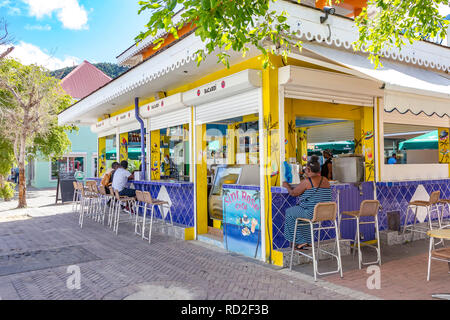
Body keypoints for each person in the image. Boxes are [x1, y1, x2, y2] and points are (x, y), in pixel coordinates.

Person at [282, 156, 332, 250]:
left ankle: (301, 241)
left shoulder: (308, 181)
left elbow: (293, 193)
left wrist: (286, 185)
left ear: (308, 169)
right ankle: (307, 241)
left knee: (289, 212)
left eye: (305, 169)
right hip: (325, 213)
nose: (304, 171)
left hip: (311, 213)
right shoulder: (325, 180)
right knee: (300, 213)